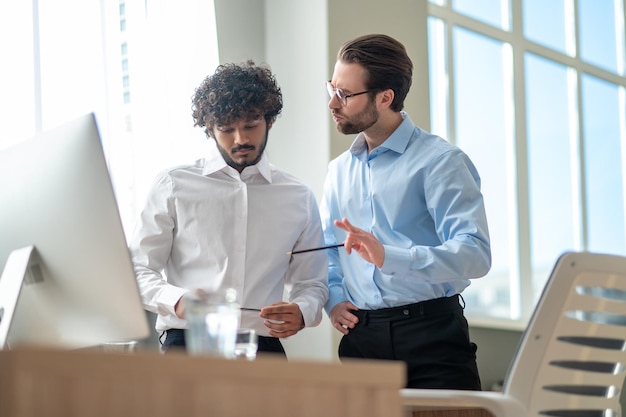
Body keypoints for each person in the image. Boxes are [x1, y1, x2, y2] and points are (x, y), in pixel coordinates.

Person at [320, 34, 491, 389]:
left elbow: (475, 253)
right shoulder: (338, 171)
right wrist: (334, 301)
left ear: (385, 98)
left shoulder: (440, 162)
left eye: (345, 95)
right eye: (332, 89)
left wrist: (390, 256)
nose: (333, 104)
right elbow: (328, 250)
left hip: (432, 338)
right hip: (361, 340)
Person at [129, 60, 328, 357]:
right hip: (187, 341)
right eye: (226, 129)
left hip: (264, 348)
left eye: (251, 125)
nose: (241, 139)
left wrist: (302, 310)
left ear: (269, 120)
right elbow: (138, 268)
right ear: (209, 129)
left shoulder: (298, 197)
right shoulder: (173, 184)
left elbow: (312, 282)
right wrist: (178, 300)